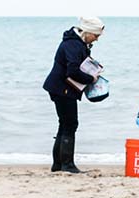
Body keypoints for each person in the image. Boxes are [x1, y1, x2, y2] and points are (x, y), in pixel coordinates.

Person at [42, 16, 104, 174]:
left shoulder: (77, 43)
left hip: (61, 88)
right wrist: (91, 78)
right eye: (95, 36)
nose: (96, 39)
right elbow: (72, 71)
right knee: (70, 124)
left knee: (64, 124)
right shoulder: (72, 44)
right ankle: (67, 164)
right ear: (87, 32)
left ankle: (58, 165)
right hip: (61, 88)